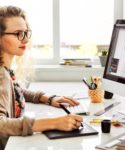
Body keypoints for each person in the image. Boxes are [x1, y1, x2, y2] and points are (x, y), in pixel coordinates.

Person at [0, 6, 83, 149]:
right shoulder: (1, 75)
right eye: (18, 33)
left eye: (26, 32)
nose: (25, 39)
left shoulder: (5, 70)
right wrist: (54, 123)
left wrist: (48, 98)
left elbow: (15, 91)